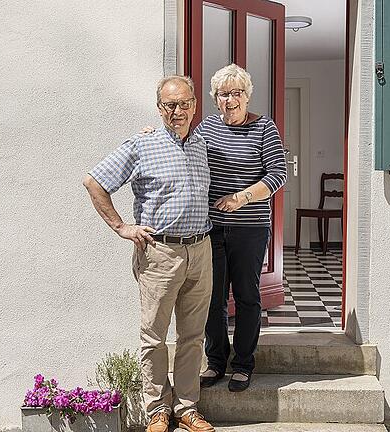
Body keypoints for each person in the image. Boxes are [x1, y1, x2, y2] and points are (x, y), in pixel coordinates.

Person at [83, 76, 215, 432]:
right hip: (159, 253)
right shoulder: (142, 146)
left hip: (200, 251)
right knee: (154, 337)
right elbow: (94, 182)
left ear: (194, 105)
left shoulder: (202, 143)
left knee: (192, 336)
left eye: (185, 103)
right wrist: (122, 227)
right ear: (159, 109)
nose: (179, 111)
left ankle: (187, 408)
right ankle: (157, 409)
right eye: (170, 105)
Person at [197, 64, 288, 392]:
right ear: (215, 98)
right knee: (213, 298)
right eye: (224, 94)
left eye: (237, 93)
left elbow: (278, 174)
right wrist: (156, 135)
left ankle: (243, 364)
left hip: (250, 228)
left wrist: (242, 197)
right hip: (212, 229)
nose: (231, 99)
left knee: (248, 296)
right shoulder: (206, 128)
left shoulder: (264, 127)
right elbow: (185, 154)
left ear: (247, 97)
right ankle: (216, 362)